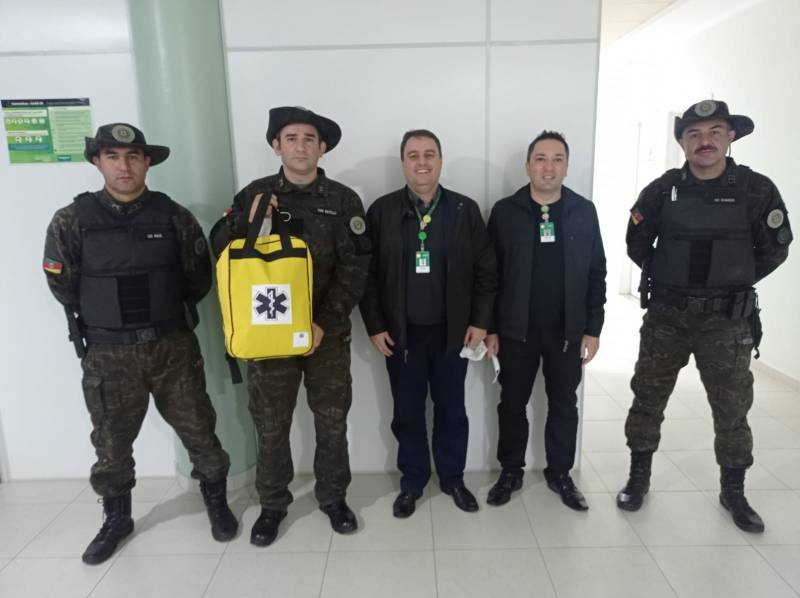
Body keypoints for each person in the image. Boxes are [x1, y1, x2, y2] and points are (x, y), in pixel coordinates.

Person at [43, 123, 237, 565]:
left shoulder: (174, 216)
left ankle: (217, 503)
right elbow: (63, 286)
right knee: (111, 443)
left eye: (133, 156)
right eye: (113, 156)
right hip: (110, 354)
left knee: (200, 432)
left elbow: (198, 278)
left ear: (147, 161)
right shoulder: (71, 221)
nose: (124, 165)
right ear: (97, 161)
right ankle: (116, 519)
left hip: (172, 346)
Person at [617, 100, 792, 532]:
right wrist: (670, 275)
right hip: (667, 317)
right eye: (694, 134)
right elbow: (636, 241)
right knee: (648, 399)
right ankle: (638, 478)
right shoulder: (663, 190)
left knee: (732, 408)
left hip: (727, 322)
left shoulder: (756, 190)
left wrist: (732, 278)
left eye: (715, 131)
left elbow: (775, 248)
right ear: (682, 142)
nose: (705, 141)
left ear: (731, 136)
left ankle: (733, 491)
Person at [222, 107, 370, 546]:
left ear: (322, 148)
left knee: (331, 422)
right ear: (276, 145)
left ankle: (333, 498)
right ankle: (272, 504)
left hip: (324, 337)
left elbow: (356, 266)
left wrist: (325, 322)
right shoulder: (255, 193)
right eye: (291, 138)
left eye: (310, 138)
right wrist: (250, 221)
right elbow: (221, 252)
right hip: (268, 336)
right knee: (270, 423)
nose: (301, 146)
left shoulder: (343, 200)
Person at [359, 129, 496, 518]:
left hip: (453, 334)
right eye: (414, 155)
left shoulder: (463, 211)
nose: (422, 162)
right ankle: (413, 482)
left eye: (429, 154)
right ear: (403, 163)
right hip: (400, 337)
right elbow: (366, 276)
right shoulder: (382, 212)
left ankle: (453, 478)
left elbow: (487, 271)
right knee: (407, 412)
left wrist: (481, 323)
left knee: (452, 409)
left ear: (440, 160)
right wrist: (374, 324)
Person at [485, 131, 606, 511]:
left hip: (567, 332)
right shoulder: (505, 212)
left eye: (557, 159)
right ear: (527, 166)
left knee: (564, 404)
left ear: (567, 167)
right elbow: (489, 275)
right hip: (515, 330)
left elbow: (596, 274)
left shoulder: (584, 211)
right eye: (540, 158)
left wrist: (593, 328)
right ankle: (510, 471)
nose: (548, 166)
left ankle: (560, 473)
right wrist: (489, 328)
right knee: (512, 403)